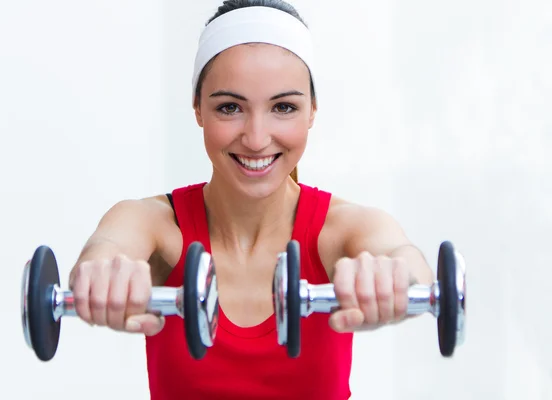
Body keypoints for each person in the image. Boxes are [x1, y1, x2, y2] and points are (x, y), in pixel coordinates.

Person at [68, 1, 434, 398]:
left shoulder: (344, 229)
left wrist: (393, 280)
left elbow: (406, 260)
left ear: (311, 110)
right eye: (230, 107)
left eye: (283, 107)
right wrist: (101, 275)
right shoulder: (155, 226)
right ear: (198, 110)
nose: (257, 138)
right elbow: (105, 249)